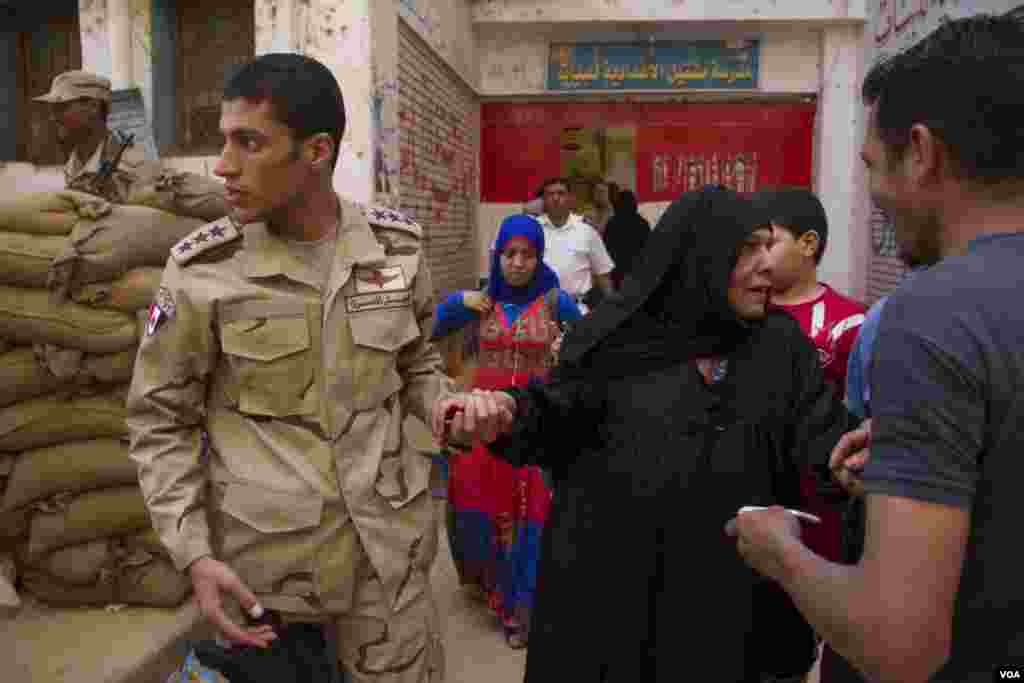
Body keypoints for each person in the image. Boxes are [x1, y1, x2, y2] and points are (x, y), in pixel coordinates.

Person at [434, 185, 856, 682]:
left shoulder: (782, 349)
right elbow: (554, 408)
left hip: (731, 613)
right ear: (700, 255)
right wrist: (502, 410)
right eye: (748, 248)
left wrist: (858, 463)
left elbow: (824, 440)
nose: (767, 264)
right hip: (618, 605)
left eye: (768, 245)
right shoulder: (617, 341)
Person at [126, 54, 452, 683]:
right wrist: (193, 553)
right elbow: (158, 422)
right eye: (225, 140)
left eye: (249, 143)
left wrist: (443, 404)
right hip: (266, 585)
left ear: (317, 151)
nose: (223, 165)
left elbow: (418, 366)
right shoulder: (202, 272)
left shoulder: (397, 248)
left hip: (389, 573)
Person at [728, 14, 1024, 682]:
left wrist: (778, 551)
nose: (874, 194)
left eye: (871, 166)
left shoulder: (935, 313)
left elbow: (900, 643)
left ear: (920, 152)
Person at [431, 213, 581, 649]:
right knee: (483, 507)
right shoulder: (480, 301)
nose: (518, 263)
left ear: (539, 257)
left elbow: (591, 341)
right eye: (509, 254)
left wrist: (563, 347)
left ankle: (521, 610)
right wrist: (458, 301)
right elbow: (429, 329)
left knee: (530, 512)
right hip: (481, 419)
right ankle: (493, 588)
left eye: (528, 255)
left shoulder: (557, 302)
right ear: (497, 256)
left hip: (533, 420)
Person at [757, 187, 866, 572]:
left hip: (820, 509)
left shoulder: (850, 324)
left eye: (769, 243)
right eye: (752, 245)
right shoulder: (746, 315)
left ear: (808, 244)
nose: (759, 258)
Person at [34, 69, 230, 216]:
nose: (53, 117)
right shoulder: (75, 162)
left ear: (93, 107)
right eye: (52, 109)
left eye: (62, 107)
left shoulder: (133, 166)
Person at [536, 177, 615, 313]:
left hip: (577, 310)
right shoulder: (533, 229)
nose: (555, 198)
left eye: (561, 193)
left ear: (570, 198)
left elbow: (603, 275)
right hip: (540, 311)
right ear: (543, 200)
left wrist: (613, 311)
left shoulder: (587, 231)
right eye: (550, 194)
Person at [602, 189, 651, 290]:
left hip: (617, 273)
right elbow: (649, 249)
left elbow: (606, 249)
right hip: (637, 273)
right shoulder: (642, 224)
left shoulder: (611, 224)